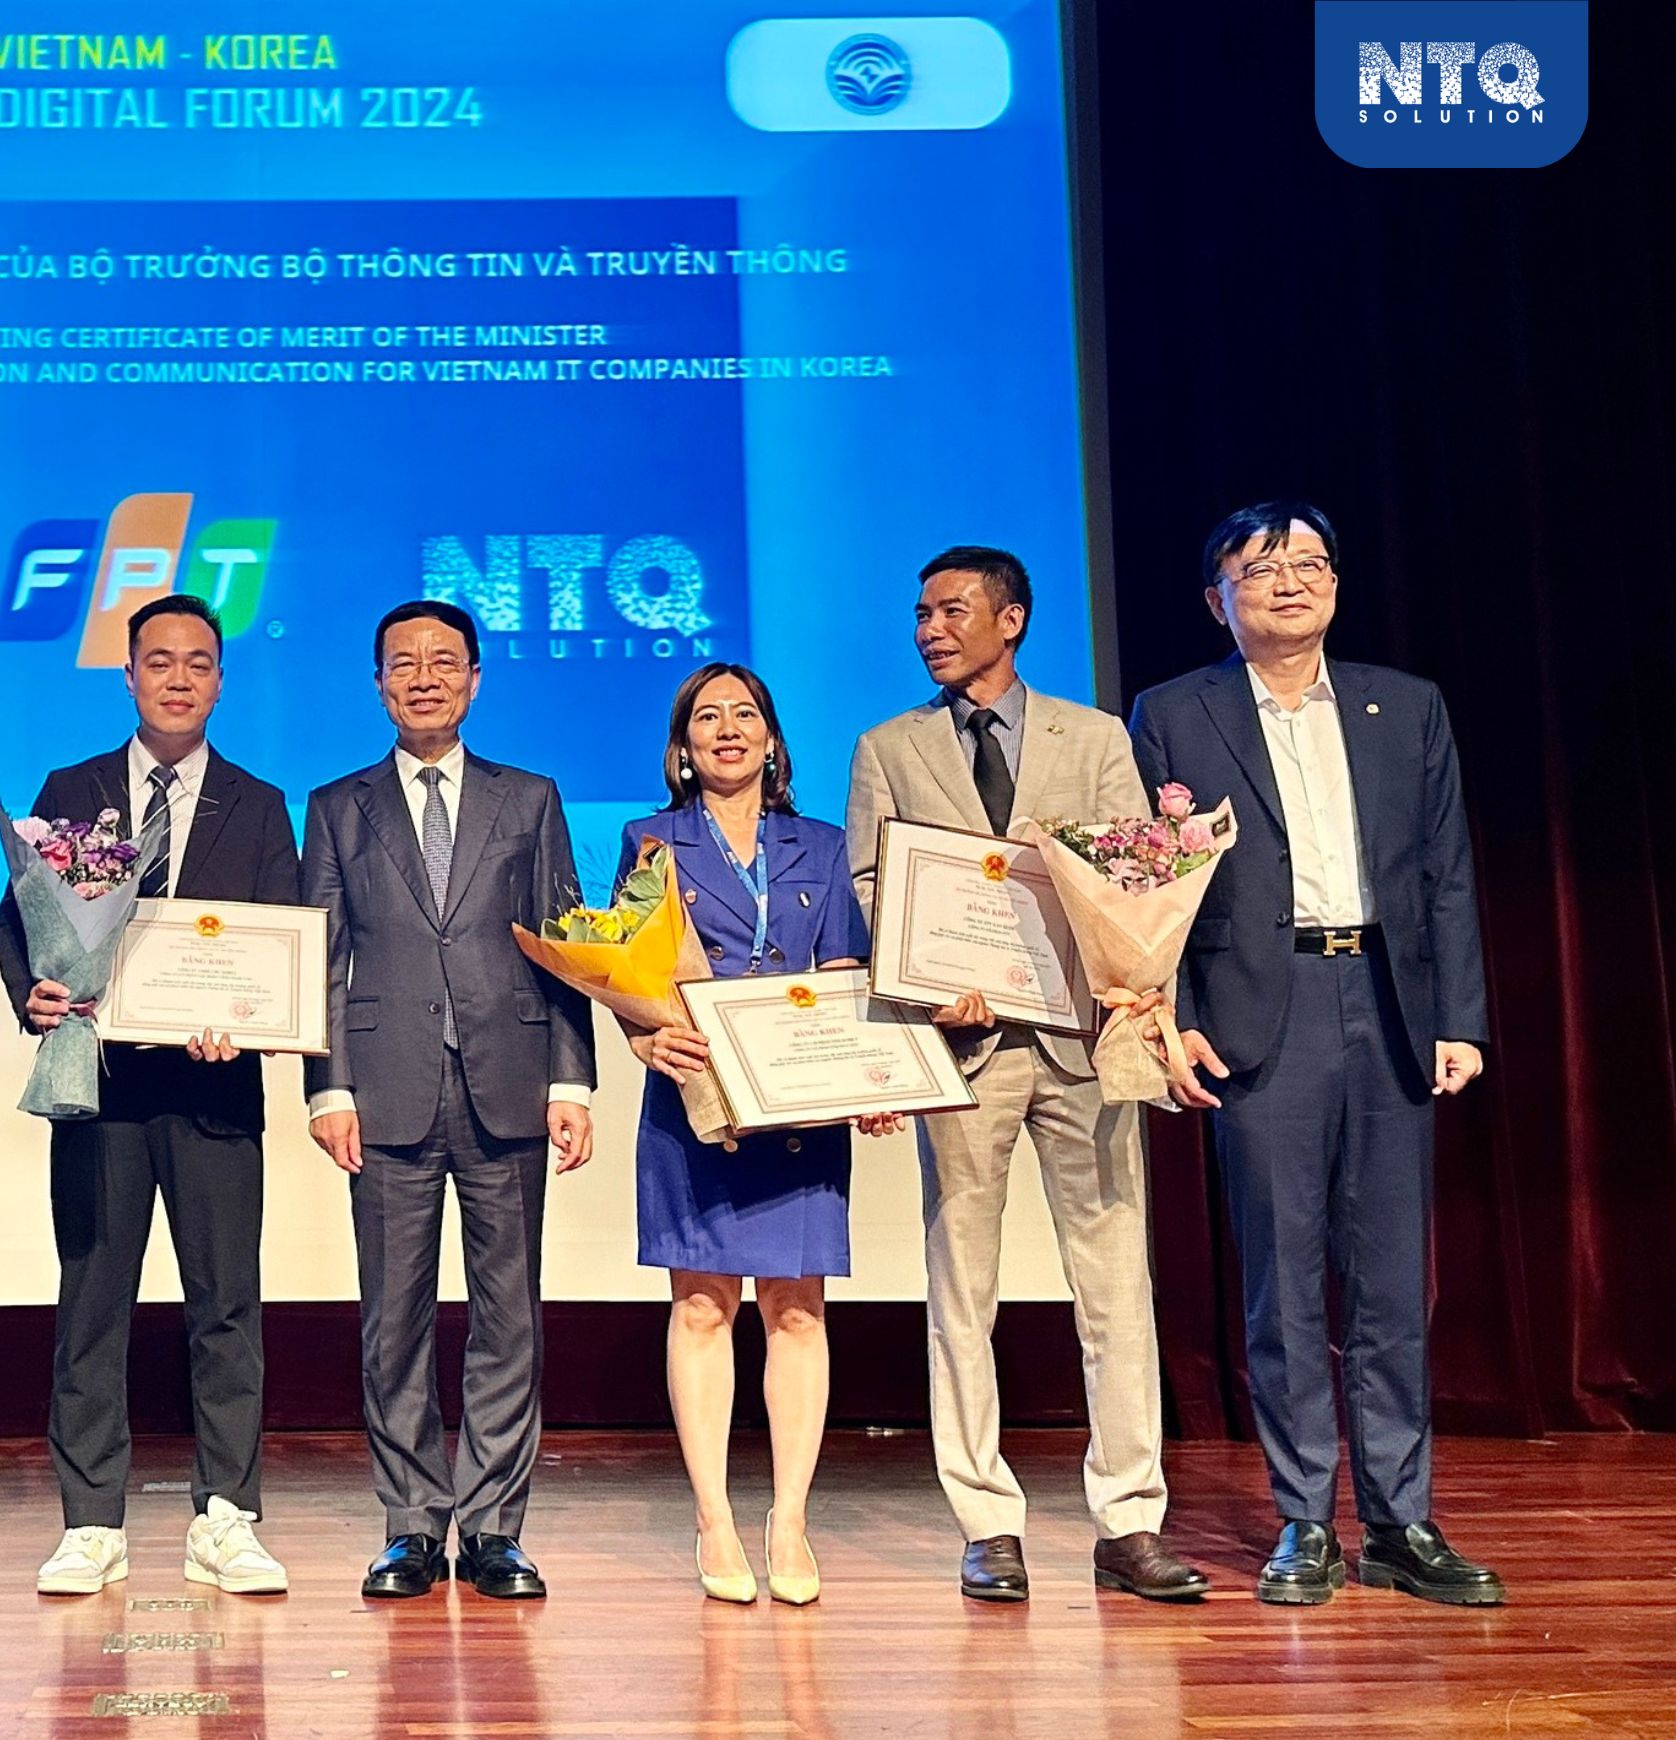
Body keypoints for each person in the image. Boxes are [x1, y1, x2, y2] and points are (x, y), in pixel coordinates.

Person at [1129, 502, 1502, 1606]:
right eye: (1262, 566)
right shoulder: (1173, 712)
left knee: (1390, 1278)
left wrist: (1461, 1020)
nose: (1291, 581)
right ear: (1218, 598)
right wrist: (1172, 1010)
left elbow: (1446, 869)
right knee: (1281, 1279)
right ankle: (1305, 1521)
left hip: (1386, 997)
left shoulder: (1408, 705)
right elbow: (1154, 881)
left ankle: (1401, 1517)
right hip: (1261, 1007)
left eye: (1311, 563)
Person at [846, 547, 1207, 1603]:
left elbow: (1136, 876)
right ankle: (985, 1520)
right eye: (919, 612)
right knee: (963, 1283)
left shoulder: (1092, 738)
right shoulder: (890, 745)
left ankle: (1129, 1519)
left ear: (1011, 620)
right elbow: (874, 880)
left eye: (951, 610)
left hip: (1083, 1042)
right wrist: (922, 975)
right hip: (965, 1044)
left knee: (1114, 1284)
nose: (928, 628)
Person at [0, 594, 299, 1598]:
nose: (177, 678)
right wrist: (33, 992)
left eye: (197, 662)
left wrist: (247, 1017)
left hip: (215, 1089)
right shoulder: (72, 788)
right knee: (91, 1305)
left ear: (220, 679)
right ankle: (91, 1524)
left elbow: (284, 941)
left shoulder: (257, 803)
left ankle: (228, 1517)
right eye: (157, 661)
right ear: (127, 677)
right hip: (101, 1085)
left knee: (226, 1307)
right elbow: (16, 924)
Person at [300, 600, 598, 1600]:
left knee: (510, 1314)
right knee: (392, 1316)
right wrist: (325, 1088)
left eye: (444, 662)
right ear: (378, 683)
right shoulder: (338, 806)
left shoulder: (532, 798)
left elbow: (564, 949)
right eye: (403, 664)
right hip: (382, 1094)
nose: (424, 677)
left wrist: (572, 1078)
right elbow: (320, 959)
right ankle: (412, 1523)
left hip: (509, 1085)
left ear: (475, 679)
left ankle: (498, 1529)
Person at [619, 663, 901, 1606]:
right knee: (703, 1307)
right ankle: (714, 1520)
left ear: (773, 741)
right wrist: (645, 1034)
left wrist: (874, 1076)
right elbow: (628, 968)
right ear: (682, 747)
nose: (729, 730)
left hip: (801, 1109)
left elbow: (850, 969)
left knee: (796, 1308)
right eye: (709, 718)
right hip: (698, 1108)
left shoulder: (819, 846)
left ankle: (790, 1520)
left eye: (747, 716)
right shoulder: (649, 843)